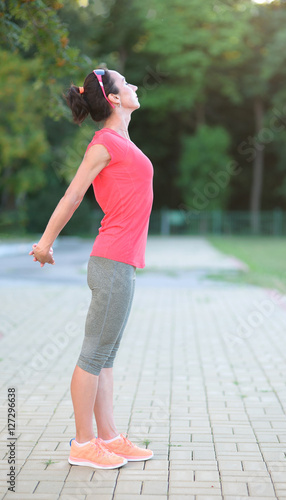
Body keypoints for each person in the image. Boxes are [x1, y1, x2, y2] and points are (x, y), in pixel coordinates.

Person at [29, 68, 154, 469]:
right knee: (94, 353)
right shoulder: (103, 143)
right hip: (111, 261)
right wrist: (45, 243)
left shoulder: (122, 141)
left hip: (123, 262)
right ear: (114, 99)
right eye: (126, 83)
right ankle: (83, 444)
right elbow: (73, 195)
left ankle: (109, 437)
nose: (134, 85)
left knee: (107, 356)